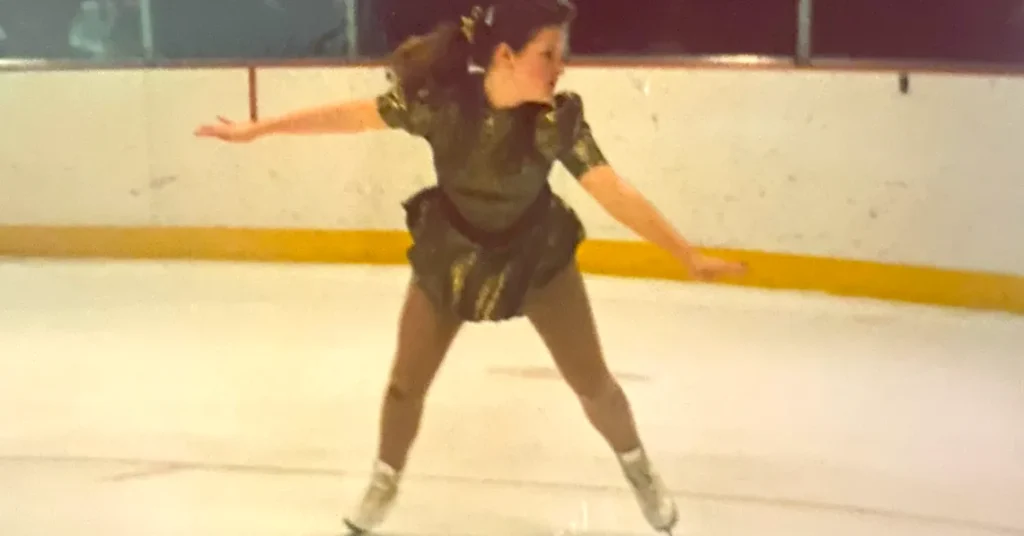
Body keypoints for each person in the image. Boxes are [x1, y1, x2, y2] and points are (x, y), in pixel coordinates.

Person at [195, 1, 746, 533]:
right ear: (506, 55)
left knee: (594, 385)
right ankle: (384, 481)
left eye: (563, 55)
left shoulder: (557, 120)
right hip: (451, 254)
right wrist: (259, 129)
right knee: (404, 386)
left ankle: (638, 469)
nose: (562, 66)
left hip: (536, 259)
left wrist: (685, 253)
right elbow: (352, 116)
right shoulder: (441, 102)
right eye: (549, 54)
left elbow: (612, 189)